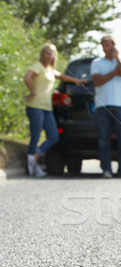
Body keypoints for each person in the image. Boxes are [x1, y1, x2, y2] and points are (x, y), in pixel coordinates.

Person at [24, 43, 87, 178]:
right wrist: (32, 91)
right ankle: (31, 166)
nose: (49, 55)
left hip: (47, 108)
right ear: (42, 54)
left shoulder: (50, 69)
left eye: (52, 53)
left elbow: (62, 77)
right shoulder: (38, 66)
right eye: (47, 52)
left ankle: (35, 157)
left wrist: (77, 81)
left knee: (53, 136)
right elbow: (27, 77)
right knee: (35, 137)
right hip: (35, 106)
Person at [90, 36, 121, 178]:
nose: (105, 48)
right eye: (103, 45)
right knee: (103, 138)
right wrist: (114, 73)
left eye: (108, 45)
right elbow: (96, 81)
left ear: (114, 46)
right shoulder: (97, 62)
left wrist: (117, 59)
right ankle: (106, 170)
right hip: (102, 105)